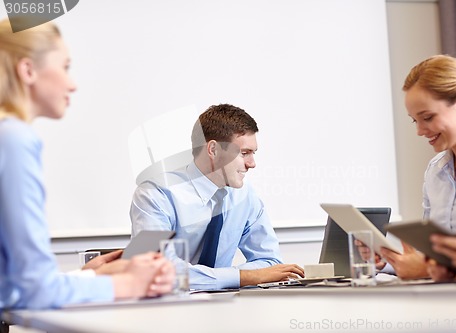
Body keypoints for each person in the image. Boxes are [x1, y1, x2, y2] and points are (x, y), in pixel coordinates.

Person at [0, 17, 174, 313]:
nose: (73, 84)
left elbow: (14, 285)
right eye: (65, 67)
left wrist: (93, 275)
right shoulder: (14, 139)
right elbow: (37, 290)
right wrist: (128, 285)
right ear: (28, 70)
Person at [130, 104, 304, 290]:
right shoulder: (155, 194)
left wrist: (238, 277)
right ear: (213, 150)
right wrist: (244, 276)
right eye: (244, 153)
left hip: (226, 306)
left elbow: (270, 261)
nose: (252, 164)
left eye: (253, 154)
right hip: (167, 308)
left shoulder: (245, 195)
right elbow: (156, 271)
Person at [380, 54, 456, 280]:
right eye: (415, 120)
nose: (420, 130)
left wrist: (425, 268)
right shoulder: (435, 171)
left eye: (428, 117)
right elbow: (429, 253)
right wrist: (388, 261)